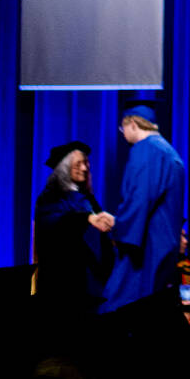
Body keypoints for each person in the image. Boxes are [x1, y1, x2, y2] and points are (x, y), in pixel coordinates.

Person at [99, 100, 188, 313]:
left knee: (121, 307)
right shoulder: (169, 152)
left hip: (144, 246)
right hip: (164, 244)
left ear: (132, 124)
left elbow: (139, 198)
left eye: (122, 128)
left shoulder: (146, 150)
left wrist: (119, 227)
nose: (122, 134)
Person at [33, 140, 115, 327]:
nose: (85, 168)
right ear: (64, 168)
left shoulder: (87, 199)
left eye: (86, 163)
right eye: (78, 164)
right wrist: (86, 219)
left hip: (91, 284)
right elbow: (53, 225)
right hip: (62, 284)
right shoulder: (50, 197)